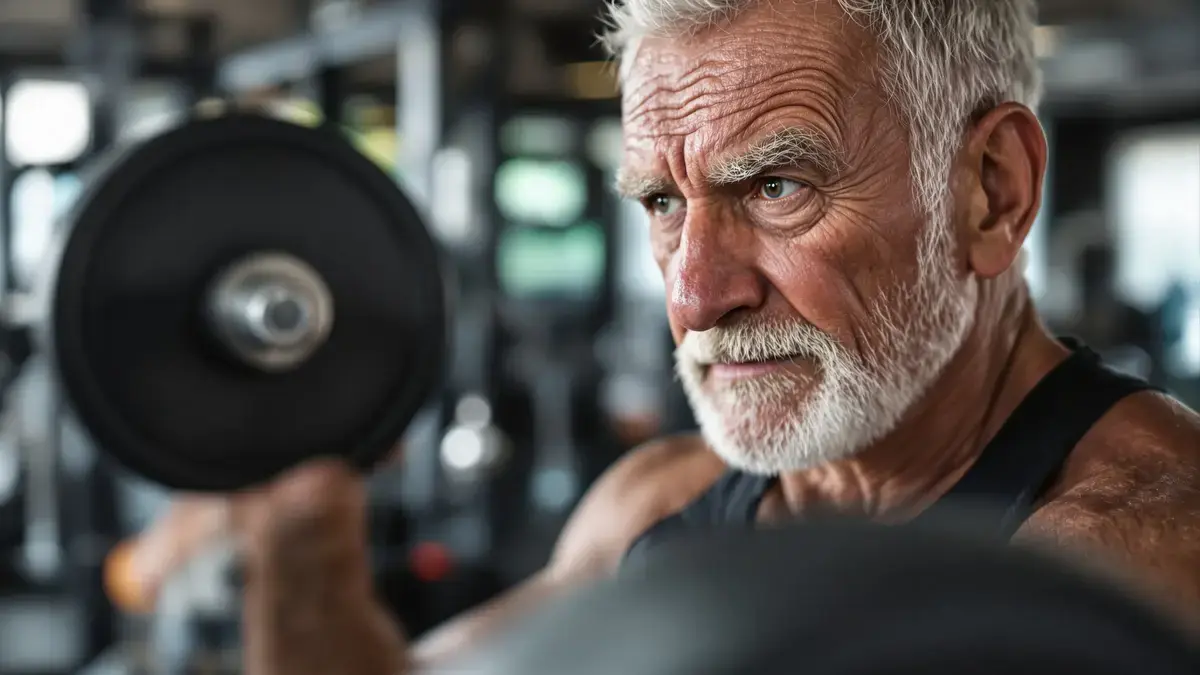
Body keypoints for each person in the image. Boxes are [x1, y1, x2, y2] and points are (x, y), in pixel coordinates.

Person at [119, 2, 1200, 674]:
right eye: (661, 203)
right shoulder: (655, 504)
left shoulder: (1131, 561)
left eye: (776, 186)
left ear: (992, 192)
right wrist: (298, 543)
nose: (692, 294)